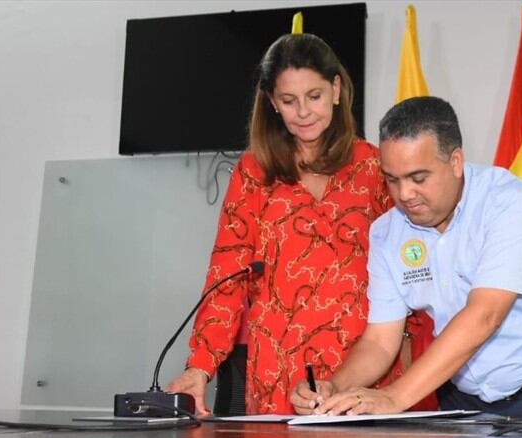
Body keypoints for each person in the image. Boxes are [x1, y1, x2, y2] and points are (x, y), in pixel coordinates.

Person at [166, 33, 434, 416]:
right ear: (273, 102)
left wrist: (415, 341)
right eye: (289, 101)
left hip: (369, 364)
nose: (304, 112)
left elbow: (415, 262)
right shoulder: (253, 171)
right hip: (280, 371)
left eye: (315, 96)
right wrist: (200, 366)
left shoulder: (375, 167)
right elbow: (227, 274)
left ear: (337, 89)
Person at [290, 96, 522, 418]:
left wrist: (394, 397)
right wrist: (334, 387)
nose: (404, 194)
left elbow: (484, 315)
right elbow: (381, 341)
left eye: (418, 178)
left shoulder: (506, 201)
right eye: (392, 179)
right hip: (464, 403)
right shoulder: (386, 233)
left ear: (456, 161)